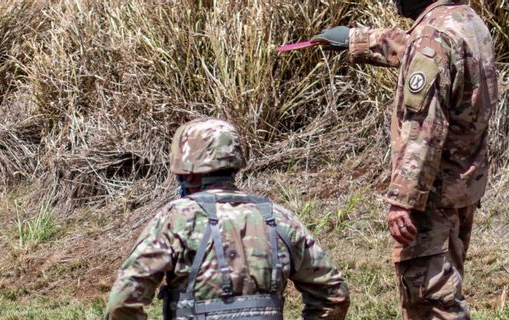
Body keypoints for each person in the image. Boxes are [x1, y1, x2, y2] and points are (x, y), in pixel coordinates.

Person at [310, 0, 497, 319]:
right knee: (444, 289)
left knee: (432, 304)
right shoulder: (466, 21)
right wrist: (355, 39)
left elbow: (423, 128)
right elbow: (418, 47)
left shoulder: (433, 37)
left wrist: (404, 201)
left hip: (432, 196)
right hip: (463, 188)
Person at [104, 118, 350, 320]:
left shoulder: (176, 219)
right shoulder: (279, 217)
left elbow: (122, 302)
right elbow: (333, 294)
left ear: (186, 171)